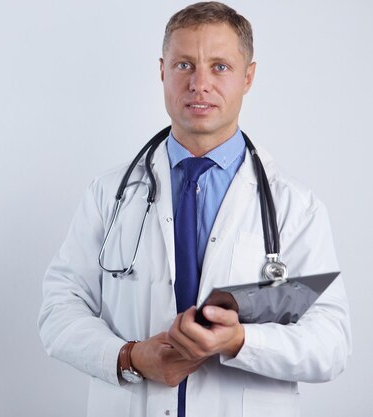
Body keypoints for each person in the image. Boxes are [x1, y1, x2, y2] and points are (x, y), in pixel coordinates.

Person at [37, 2, 351, 417]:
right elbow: (59, 309)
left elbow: (331, 343)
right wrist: (128, 357)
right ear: (162, 71)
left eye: (220, 66)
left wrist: (240, 342)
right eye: (185, 65)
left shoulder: (296, 206)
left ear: (248, 77)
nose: (199, 84)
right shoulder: (109, 193)